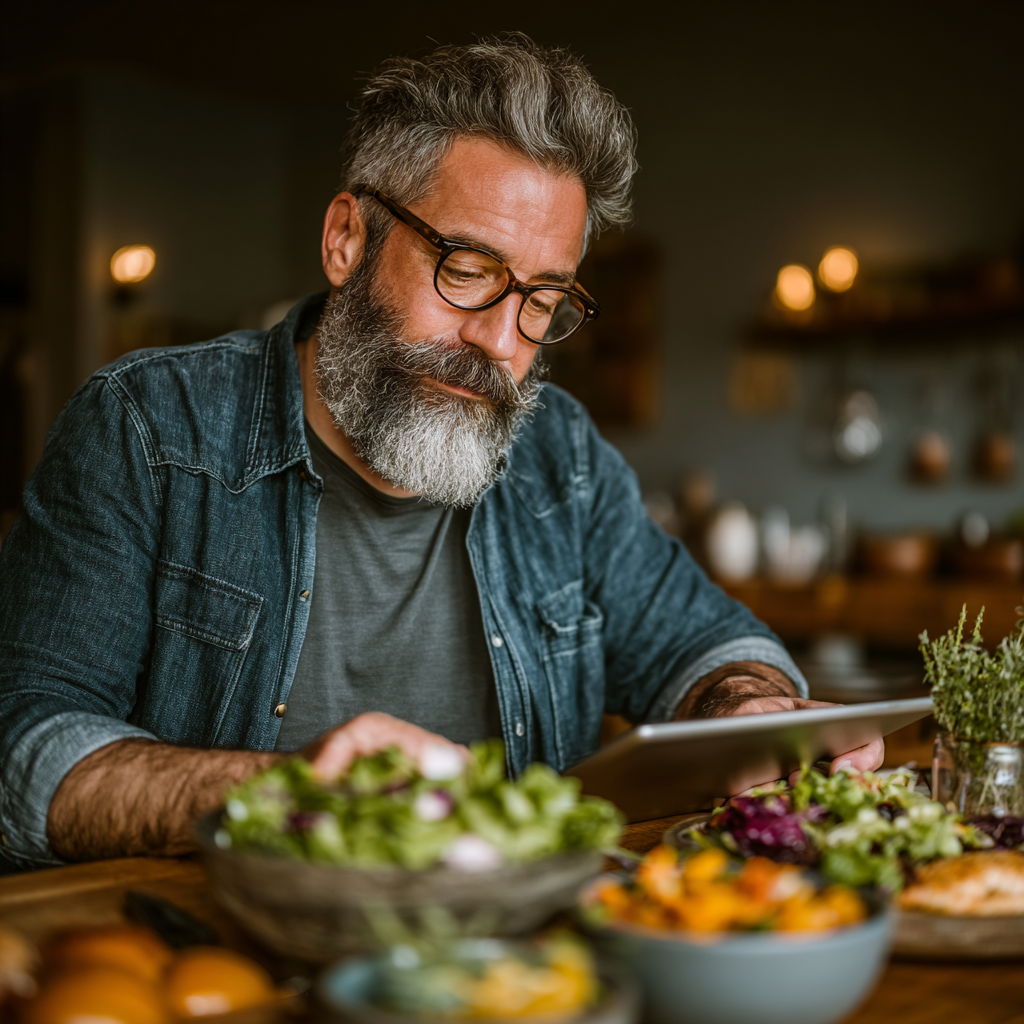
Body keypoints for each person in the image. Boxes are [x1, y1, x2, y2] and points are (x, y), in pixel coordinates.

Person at [0, 35, 881, 872]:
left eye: (542, 300)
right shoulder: (148, 427)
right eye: (466, 270)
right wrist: (285, 795)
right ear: (348, 239)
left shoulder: (560, 452)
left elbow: (706, 641)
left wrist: (750, 707)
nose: (500, 341)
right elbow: (22, 750)